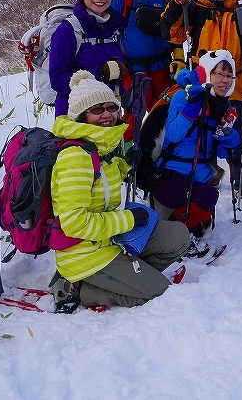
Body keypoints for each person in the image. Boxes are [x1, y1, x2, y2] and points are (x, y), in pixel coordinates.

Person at [50, 70, 191, 309]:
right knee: (159, 291)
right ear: (81, 116)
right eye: (96, 110)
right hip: (86, 255)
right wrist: (127, 219)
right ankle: (87, 290)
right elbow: (74, 223)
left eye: (111, 107)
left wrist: (124, 164)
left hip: (110, 240)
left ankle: (126, 277)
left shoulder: (100, 146)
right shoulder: (75, 157)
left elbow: (100, 184)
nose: (107, 115)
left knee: (179, 237)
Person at [160, 0, 242, 204]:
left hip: (235, 85)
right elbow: (173, 34)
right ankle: (204, 177)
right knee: (201, 133)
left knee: (232, 135)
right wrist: (177, 5)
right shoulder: (197, 7)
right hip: (202, 85)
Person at [149, 51, 240, 252]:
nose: (224, 81)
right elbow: (172, 134)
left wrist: (228, 140)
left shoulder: (223, 107)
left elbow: (223, 154)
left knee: (204, 215)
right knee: (208, 196)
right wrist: (191, 110)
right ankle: (175, 240)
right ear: (207, 73)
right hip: (169, 177)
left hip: (198, 178)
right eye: (219, 74)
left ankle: (188, 236)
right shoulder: (184, 95)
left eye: (228, 76)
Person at [48, 0, 127, 118]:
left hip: (107, 115)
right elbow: (58, 80)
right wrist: (100, 74)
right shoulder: (68, 30)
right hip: (76, 115)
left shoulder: (113, 28)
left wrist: (127, 94)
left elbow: (113, 77)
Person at [110, 0, 181, 110]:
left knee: (164, 117)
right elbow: (109, 31)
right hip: (134, 72)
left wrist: (178, 57)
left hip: (164, 70)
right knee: (132, 121)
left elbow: (177, 31)